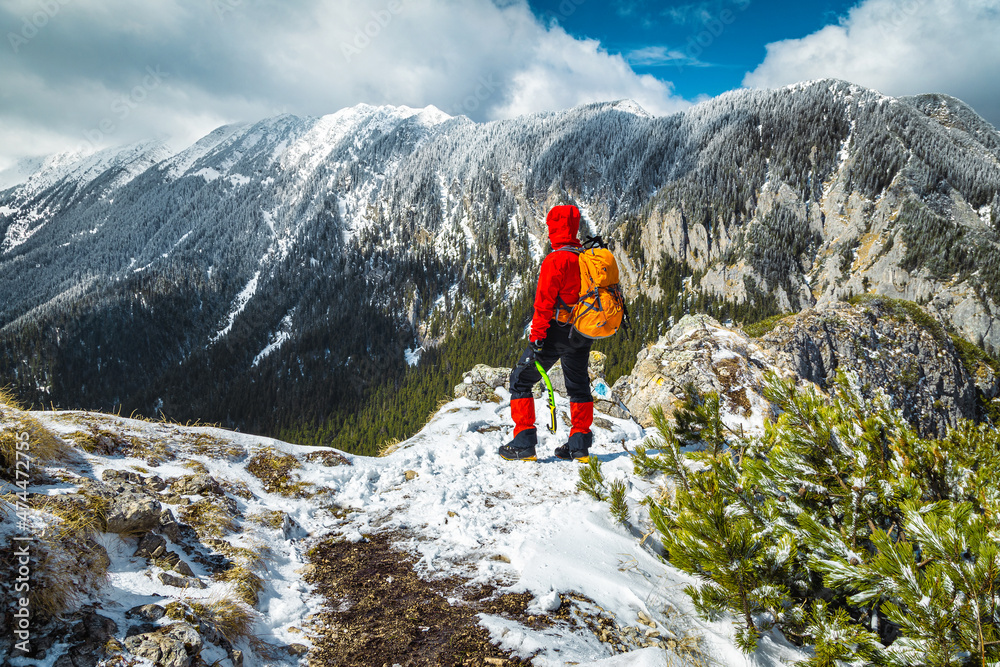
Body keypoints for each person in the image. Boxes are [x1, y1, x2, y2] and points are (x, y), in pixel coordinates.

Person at [499, 204, 593, 462]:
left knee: (521, 379)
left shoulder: (556, 260)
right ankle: (579, 445)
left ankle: (524, 442)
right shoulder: (586, 257)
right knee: (578, 386)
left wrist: (537, 337)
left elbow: (543, 304)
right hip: (583, 330)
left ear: (554, 229)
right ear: (574, 228)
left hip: (557, 331)